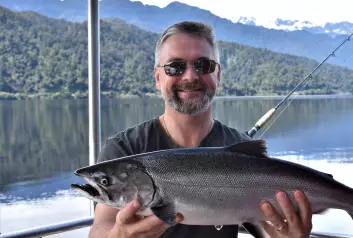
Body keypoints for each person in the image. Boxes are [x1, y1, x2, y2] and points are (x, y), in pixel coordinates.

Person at [89, 20, 314, 238]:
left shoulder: (242, 149)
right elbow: (101, 226)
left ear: (217, 74)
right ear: (158, 77)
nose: (190, 76)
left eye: (203, 65)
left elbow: (269, 230)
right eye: (175, 67)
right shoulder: (125, 149)